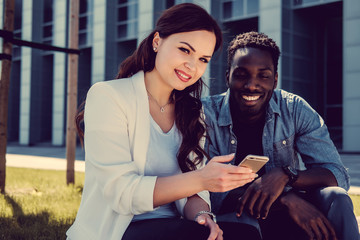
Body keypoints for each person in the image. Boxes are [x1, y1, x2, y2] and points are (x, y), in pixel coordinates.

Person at [66, 4, 262, 240]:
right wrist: (202, 178)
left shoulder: (192, 112)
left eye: (202, 59)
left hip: (173, 227)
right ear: (157, 41)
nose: (192, 66)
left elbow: (195, 193)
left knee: (246, 233)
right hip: (118, 230)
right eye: (184, 50)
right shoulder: (109, 96)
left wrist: (203, 217)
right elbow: (121, 194)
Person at [202, 31, 360, 240]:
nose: (251, 85)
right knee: (244, 221)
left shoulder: (294, 109)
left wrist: (287, 175)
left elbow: (337, 175)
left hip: (290, 215)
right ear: (227, 76)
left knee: (337, 197)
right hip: (238, 217)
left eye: (263, 75)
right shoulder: (206, 115)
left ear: (275, 79)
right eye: (241, 74)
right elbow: (211, 193)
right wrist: (286, 198)